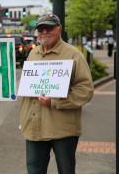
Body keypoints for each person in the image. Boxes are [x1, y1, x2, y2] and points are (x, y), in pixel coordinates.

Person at [19, 13, 94, 174]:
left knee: (66, 170)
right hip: (34, 128)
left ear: (59, 29)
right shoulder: (33, 54)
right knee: (34, 170)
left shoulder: (74, 55)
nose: (44, 31)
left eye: (49, 27)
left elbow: (86, 89)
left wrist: (55, 102)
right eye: (40, 28)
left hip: (62, 130)